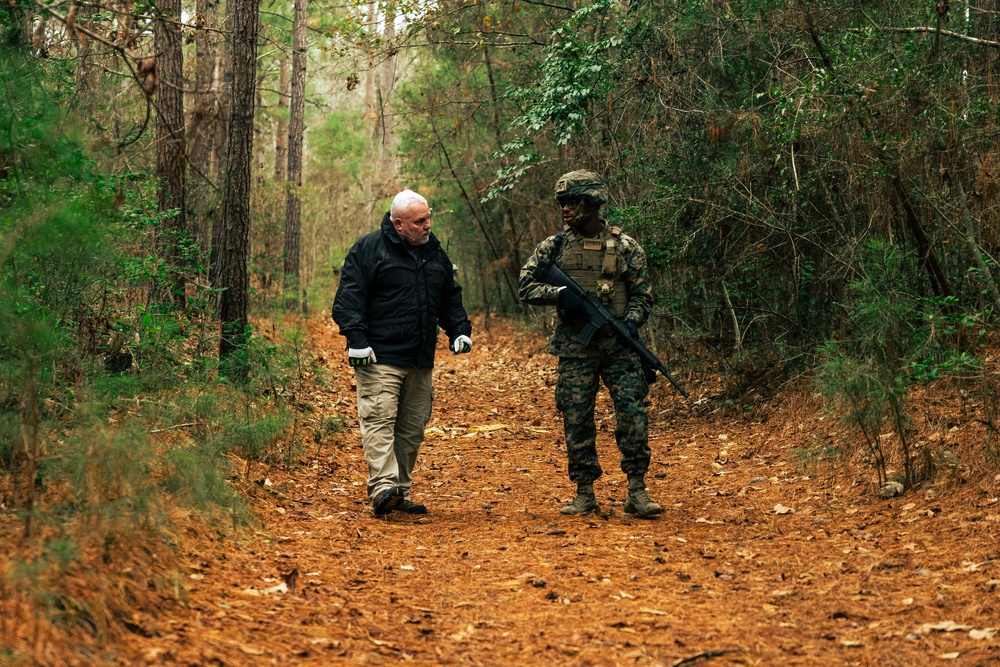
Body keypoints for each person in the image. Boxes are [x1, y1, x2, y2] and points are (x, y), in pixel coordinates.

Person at [518, 170, 663, 518]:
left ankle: (637, 490)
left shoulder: (626, 247)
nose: (566, 209)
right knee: (577, 419)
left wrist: (631, 320)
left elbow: (644, 295)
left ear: (592, 203)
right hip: (575, 350)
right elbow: (525, 286)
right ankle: (585, 492)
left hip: (619, 348)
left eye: (573, 202)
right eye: (563, 203)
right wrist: (559, 295)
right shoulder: (552, 248)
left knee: (633, 416)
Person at [333, 189, 472, 516]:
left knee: (411, 429)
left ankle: (399, 492)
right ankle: (383, 487)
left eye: (428, 218)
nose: (427, 226)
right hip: (378, 357)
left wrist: (460, 331)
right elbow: (348, 298)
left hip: (420, 360)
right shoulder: (368, 250)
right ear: (398, 224)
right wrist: (356, 338)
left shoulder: (435, 254)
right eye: (419, 221)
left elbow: (450, 299)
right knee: (379, 419)